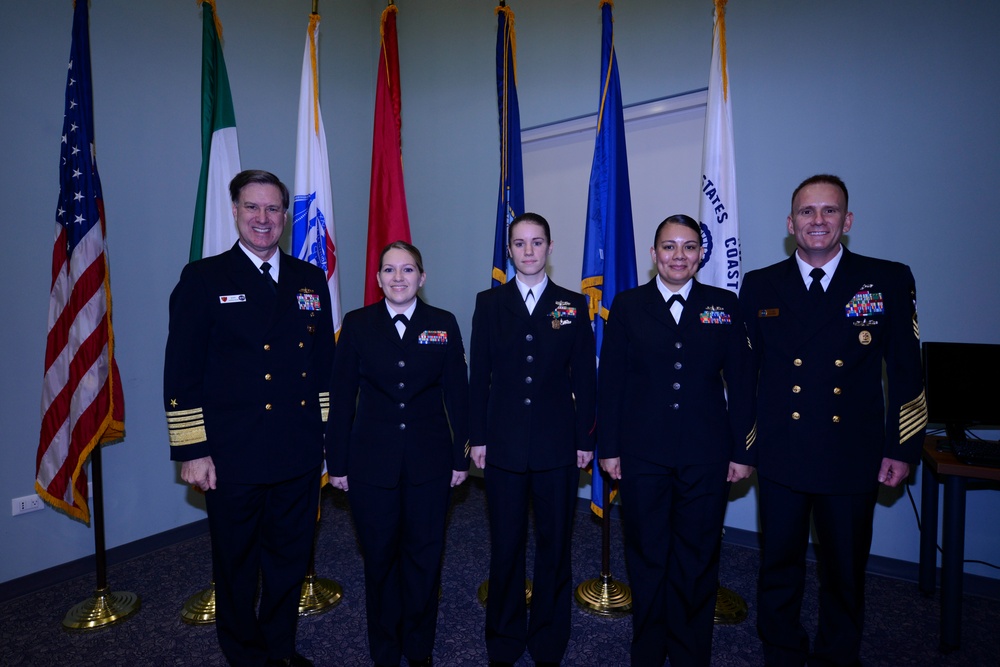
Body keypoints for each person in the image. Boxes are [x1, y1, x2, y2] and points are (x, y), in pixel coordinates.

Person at [739, 174, 927, 666]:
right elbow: (746, 374)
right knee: (778, 566)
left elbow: (908, 374)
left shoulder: (886, 279)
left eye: (829, 211)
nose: (817, 221)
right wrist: (746, 444)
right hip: (782, 451)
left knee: (844, 571)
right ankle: (780, 650)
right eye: (807, 212)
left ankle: (837, 656)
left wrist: (902, 448)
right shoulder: (760, 284)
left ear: (848, 220)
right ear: (790, 223)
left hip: (852, 454)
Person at [164, 169, 333, 667]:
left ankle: (279, 648)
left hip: (297, 448)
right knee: (236, 563)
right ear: (235, 211)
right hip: (231, 453)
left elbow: (324, 365)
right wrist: (193, 450)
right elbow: (181, 371)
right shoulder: (204, 278)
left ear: (285, 215)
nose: (264, 219)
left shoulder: (308, 278)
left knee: (289, 558)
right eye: (253, 208)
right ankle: (244, 654)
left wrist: (327, 439)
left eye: (273, 209)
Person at [597, 215, 755, 667]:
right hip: (641, 454)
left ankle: (689, 653)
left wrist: (744, 450)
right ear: (653, 254)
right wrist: (609, 447)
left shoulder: (723, 305)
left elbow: (742, 383)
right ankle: (647, 650)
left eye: (688, 247)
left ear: (701, 254)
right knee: (646, 555)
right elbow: (611, 383)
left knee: (698, 556)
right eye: (669, 247)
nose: (678, 256)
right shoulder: (627, 306)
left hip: (707, 454)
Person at [326, 240, 470, 667]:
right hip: (371, 464)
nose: (398, 278)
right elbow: (341, 395)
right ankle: (385, 650)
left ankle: (419, 648)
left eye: (407, 270)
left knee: (425, 559)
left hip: (430, 463)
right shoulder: (357, 324)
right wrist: (337, 462)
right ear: (377, 279)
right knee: (380, 559)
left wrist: (461, 457)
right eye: (389, 270)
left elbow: (458, 396)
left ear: (422, 278)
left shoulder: (442, 323)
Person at [469, 212, 597, 667]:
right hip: (501, 445)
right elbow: (477, 376)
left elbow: (584, 373)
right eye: (519, 243)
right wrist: (476, 438)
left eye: (536, 242)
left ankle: (547, 637)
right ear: (509, 250)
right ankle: (504, 636)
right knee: (505, 544)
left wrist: (585, 438)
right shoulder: (489, 303)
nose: (528, 251)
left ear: (549, 247)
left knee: (554, 544)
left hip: (557, 445)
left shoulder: (571, 304)